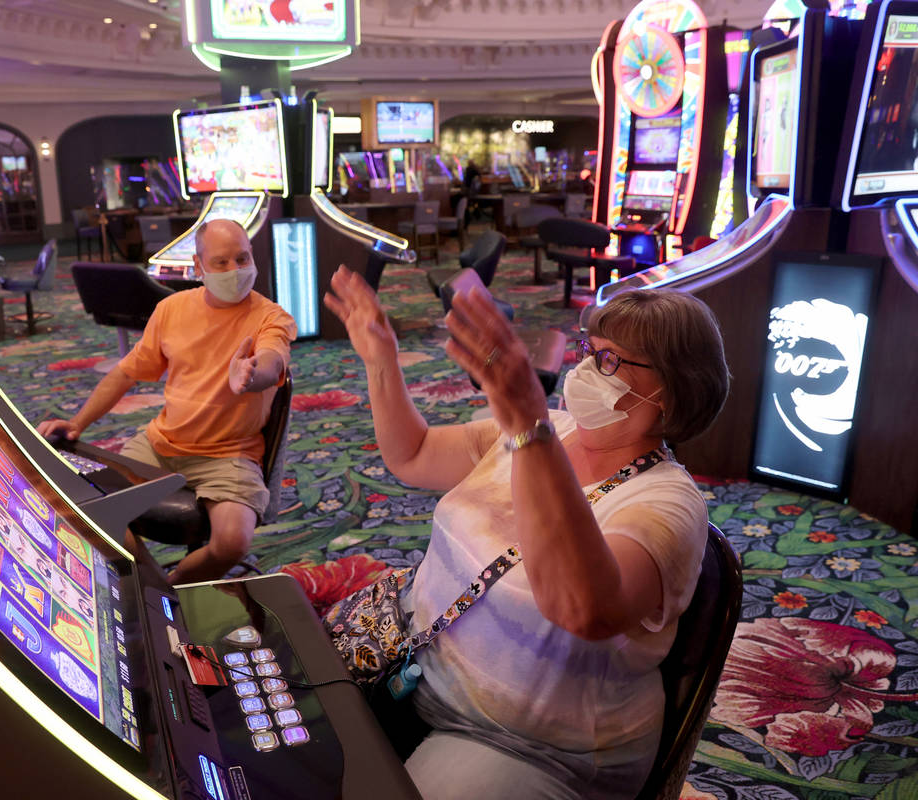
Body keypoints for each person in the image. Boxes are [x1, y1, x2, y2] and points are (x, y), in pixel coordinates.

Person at [323, 267, 729, 800]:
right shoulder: (549, 428)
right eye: (589, 350)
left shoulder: (669, 504)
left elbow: (583, 609)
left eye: (610, 360)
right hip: (414, 655)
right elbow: (414, 454)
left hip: (526, 743)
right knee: (280, 720)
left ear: (673, 391)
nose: (586, 368)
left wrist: (525, 425)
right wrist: (382, 361)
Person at [37, 219, 296, 583]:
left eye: (243, 258)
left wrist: (254, 373)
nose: (235, 270)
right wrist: (79, 423)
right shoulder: (172, 309)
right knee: (95, 508)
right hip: (161, 444)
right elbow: (126, 372)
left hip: (230, 454)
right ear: (198, 266)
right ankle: (149, 583)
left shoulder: (270, 316)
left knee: (233, 542)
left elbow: (273, 360)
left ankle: (168, 592)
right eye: (221, 262)